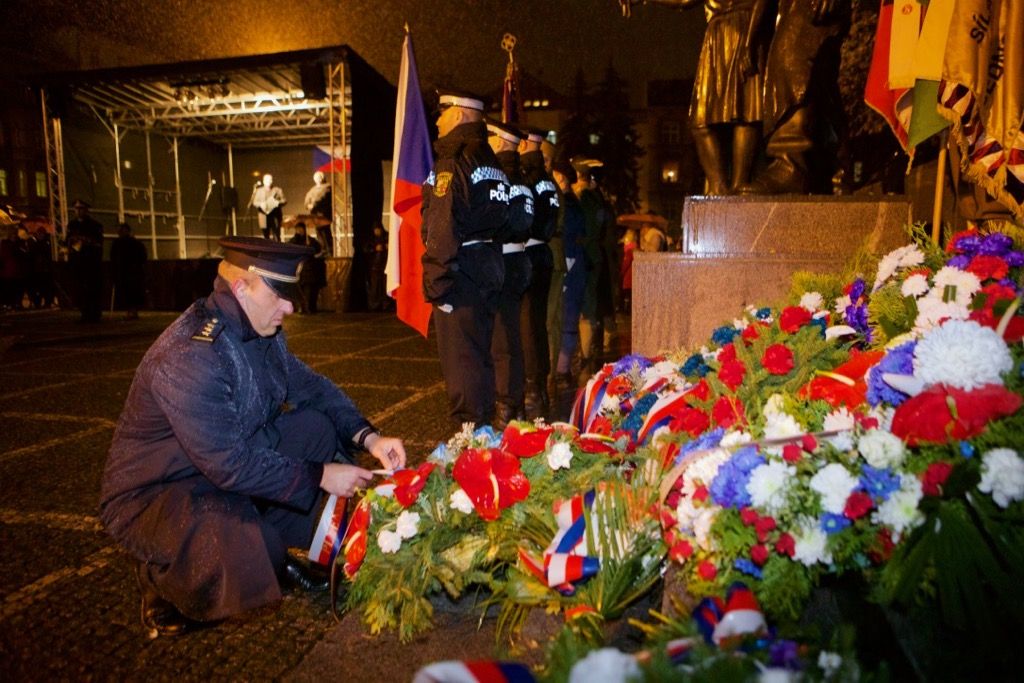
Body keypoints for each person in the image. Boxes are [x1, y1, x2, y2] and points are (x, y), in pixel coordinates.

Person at [99, 236, 406, 638]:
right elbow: (228, 464)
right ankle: (163, 577)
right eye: (279, 295)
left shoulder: (260, 330)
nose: (291, 307)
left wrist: (369, 438)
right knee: (248, 551)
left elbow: (313, 387)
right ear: (242, 287)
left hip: (219, 466)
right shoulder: (190, 355)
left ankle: (276, 533)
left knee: (315, 428)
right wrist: (319, 475)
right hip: (160, 491)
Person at [421, 89, 510, 431]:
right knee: (481, 356)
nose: (438, 121)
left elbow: (442, 225)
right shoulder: (491, 160)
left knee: (462, 362)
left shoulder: (453, 159)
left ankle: (469, 440)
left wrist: (437, 279)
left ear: (458, 115)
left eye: (442, 113)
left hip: (460, 270)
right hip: (488, 263)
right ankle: (483, 431)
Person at [487, 120, 534, 429]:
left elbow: (504, 221)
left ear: (499, 142)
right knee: (512, 339)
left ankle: (507, 406)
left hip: (505, 260)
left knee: (502, 342)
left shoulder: (503, 178)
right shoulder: (521, 179)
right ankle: (514, 402)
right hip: (519, 258)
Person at [518, 128, 559, 419]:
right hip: (543, 253)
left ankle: (533, 389)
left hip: (529, 255)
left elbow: (524, 219)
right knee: (537, 326)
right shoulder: (547, 181)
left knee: (527, 328)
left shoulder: (527, 178)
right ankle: (539, 387)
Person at [551, 159, 586, 420]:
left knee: (565, 320)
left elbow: (569, 236)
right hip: (573, 266)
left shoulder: (569, 204)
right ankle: (562, 370)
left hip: (569, 267)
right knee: (567, 319)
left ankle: (561, 371)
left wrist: (566, 266)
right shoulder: (573, 202)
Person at [66, 199, 105, 322]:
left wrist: (86, 242)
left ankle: (94, 313)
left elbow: (98, 243)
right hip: (78, 262)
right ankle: (84, 312)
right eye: (76, 209)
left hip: (91, 262)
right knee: (80, 289)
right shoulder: (72, 225)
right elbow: (68, 241)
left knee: (92, 289)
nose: (78, 211)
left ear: (86, 210)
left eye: (81, 209)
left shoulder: (94, 225)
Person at [110, 222, 147, 320]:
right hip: (123, 272)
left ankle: (133, 311)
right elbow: (113, 258)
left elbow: (142, 257)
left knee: (132, 292)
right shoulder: (117, 243)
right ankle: (130, 311)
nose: (120, 232)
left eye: (122, 230)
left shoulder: (135, 243)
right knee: (126, 292)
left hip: (132, 272)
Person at [288, 222, 325, 314]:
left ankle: (309, 308)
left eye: (301, 229)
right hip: (298, 270)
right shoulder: (293, 241)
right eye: (297, 229)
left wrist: (310, 246)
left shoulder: (311, 240)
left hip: (309, 270)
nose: (299, 231)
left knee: (309, 290)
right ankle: (303, 308)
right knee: (301, 290)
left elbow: (317, 250)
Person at [303, 171, 334, 255]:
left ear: (322, 177)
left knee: (326, 233)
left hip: (324, 214)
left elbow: (322, 198)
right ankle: (323, 250)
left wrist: (313, 204)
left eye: (319, 177)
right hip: (315, 215)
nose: (317, 179)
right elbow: (306, 199)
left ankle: (330, 250)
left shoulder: (328, 187)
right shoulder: (313, 189)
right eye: (316, 178)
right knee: (319, 233)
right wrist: (308, 205)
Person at [250, 174, 286, 241]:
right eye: (267, 180)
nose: (269, 181)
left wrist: (277, 203)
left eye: (270, 179)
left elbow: (284, 200)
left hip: (275, 216)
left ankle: (277, 248)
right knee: (266, 237)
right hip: (264, 216)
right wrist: (261, 204)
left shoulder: (277, 190)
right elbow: (254, 202)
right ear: (263, 181)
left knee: (276, 236)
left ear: (272, 180)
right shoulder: (259, 191)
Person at [365, 220, 388, 312]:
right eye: (376, 229)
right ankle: (374, 305)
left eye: (378, 229)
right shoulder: (371, 239)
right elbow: (366, 248)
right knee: (375, 287)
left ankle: (385, 304)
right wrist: (374, 248)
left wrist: (387, 247)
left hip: (384, 265)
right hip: (375, 266)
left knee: (384, 286)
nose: (377, 231)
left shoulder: (386, 237)